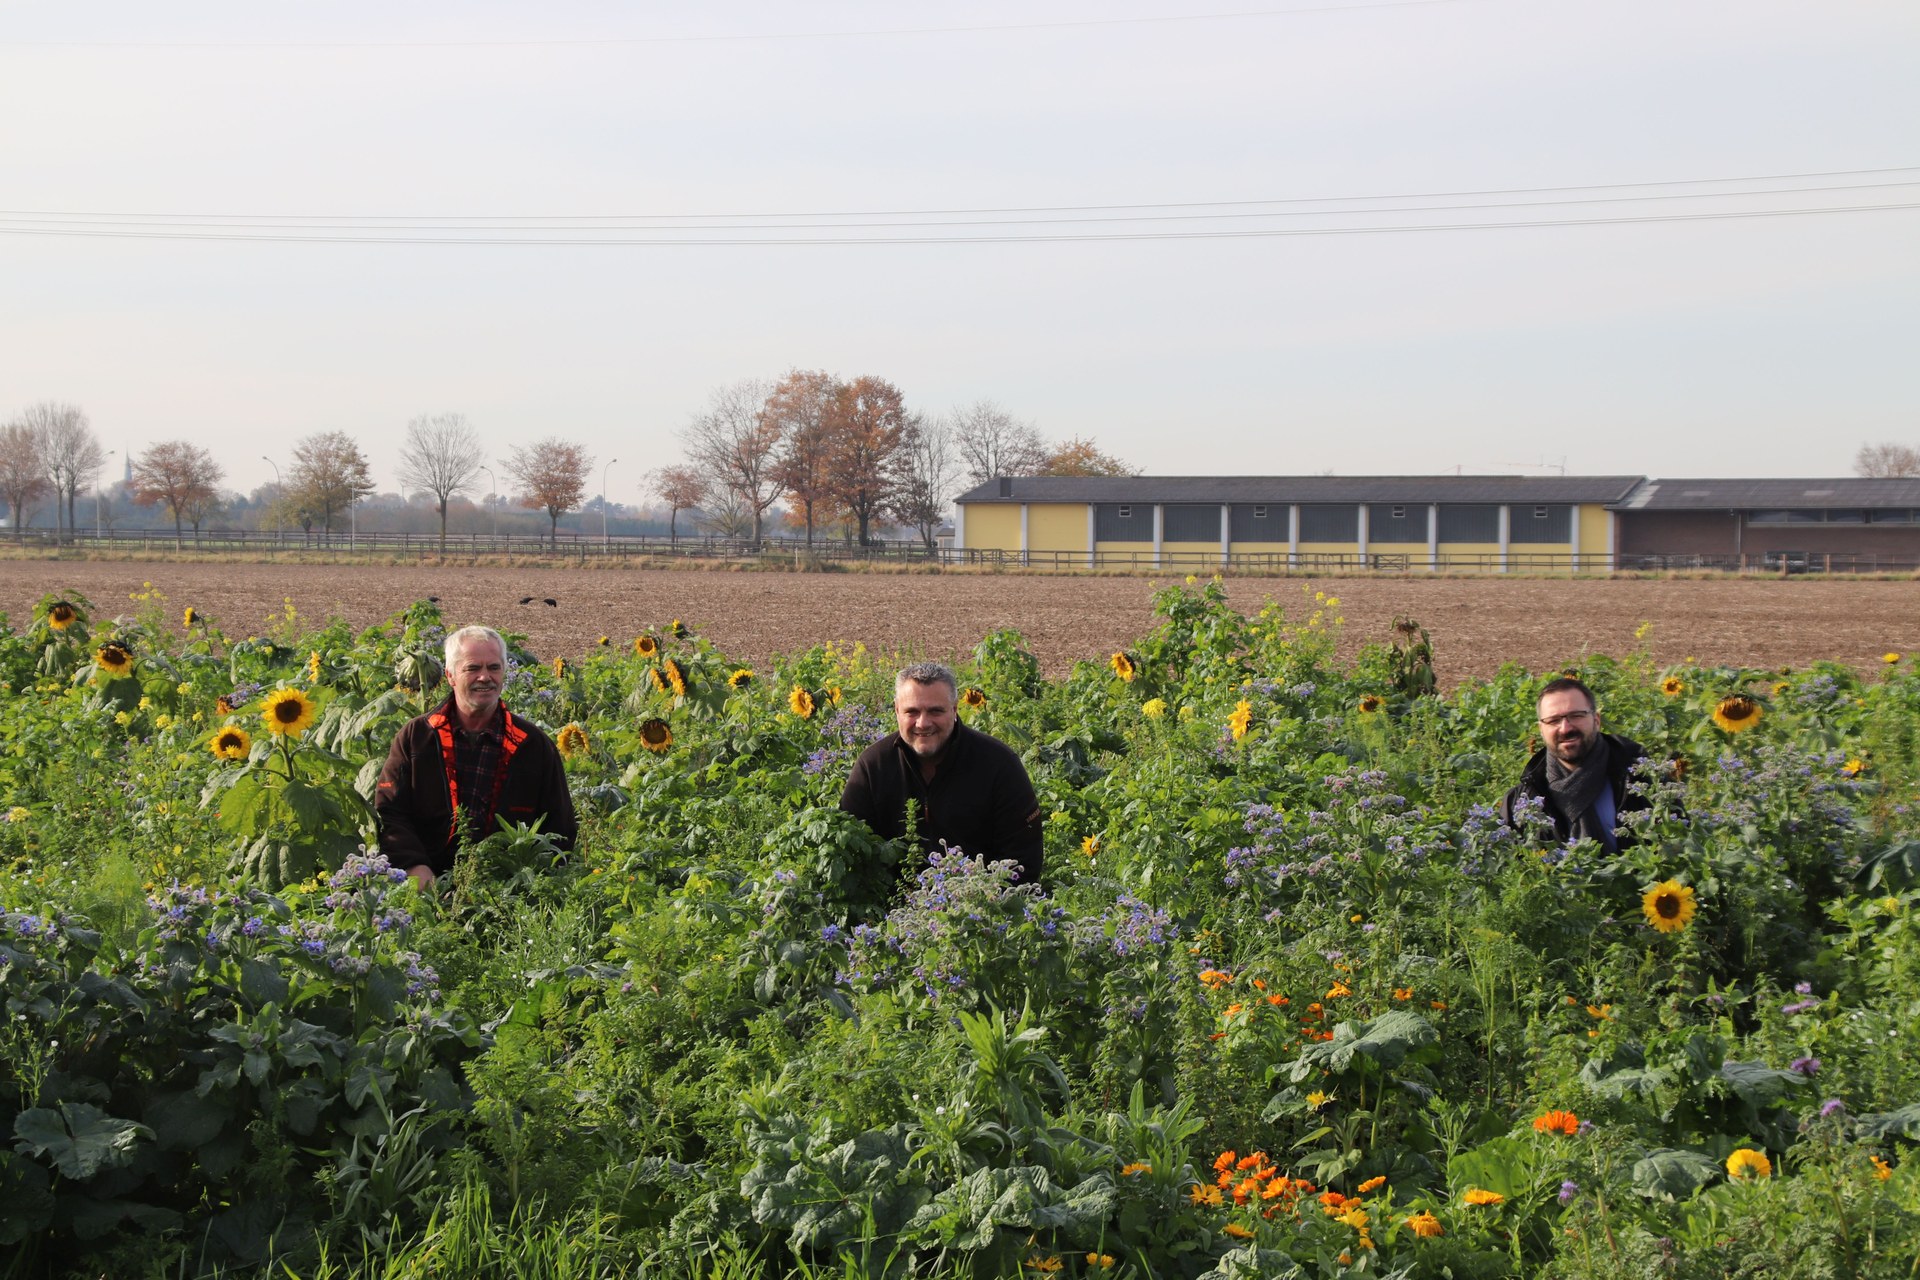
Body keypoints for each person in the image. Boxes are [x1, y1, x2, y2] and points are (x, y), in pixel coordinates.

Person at [375, 625, 577, 889]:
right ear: (450, 676)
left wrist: (535, 885)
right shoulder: (417, 737)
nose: (485, 677)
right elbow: (390, 811)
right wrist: (414, 865)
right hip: (427, 886)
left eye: (494, 667)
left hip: (508, 890)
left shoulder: (533, 745)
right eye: (472, 668)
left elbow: (559, 827)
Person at [840, 661, 1045, 886]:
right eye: (912, 711)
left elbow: (1024, 859)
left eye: (935, 711)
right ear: (897, 710)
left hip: (981, 910)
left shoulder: (998, 764)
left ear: (954, 709)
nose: (923, 723)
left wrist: (982, 905)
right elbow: (849, 849)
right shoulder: (873, 766)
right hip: (892, 912)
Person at [1498, 676, 1652, 850]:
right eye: (1554, 720)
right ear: (1541, 729)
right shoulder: (1521, 800)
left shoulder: (1641, 781)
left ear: (1597, 720)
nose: (1565, 728)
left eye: (1576, 716)